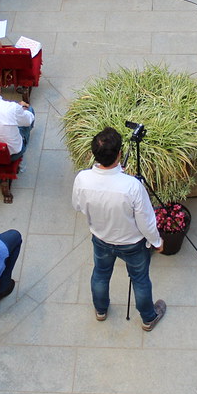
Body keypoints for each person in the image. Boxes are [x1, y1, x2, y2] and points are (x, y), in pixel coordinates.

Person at [72, 127, 167, 329]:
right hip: (132, 244)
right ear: (119, 155)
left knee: (100, 273)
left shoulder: (82, 178)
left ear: (93, 154)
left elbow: (78, 206)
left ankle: (100, 310)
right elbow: (146, 220)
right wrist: (157, 242)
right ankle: (148, 318)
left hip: (100, 238)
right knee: (140, 279)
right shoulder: (132, 186)